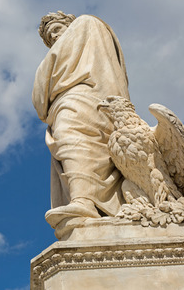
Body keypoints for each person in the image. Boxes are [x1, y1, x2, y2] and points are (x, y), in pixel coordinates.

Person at [32, 11, 130, 228]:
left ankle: (83, 201)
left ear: (70, 26)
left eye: (57, 31)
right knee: (68, 142)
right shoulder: (63, 57)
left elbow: (40, 88)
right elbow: (39, 101)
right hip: (64, 103)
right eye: (50, 39)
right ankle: (83, 200)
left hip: (87, 97)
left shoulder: (86, 24)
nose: (56, 39)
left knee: (72, 136)